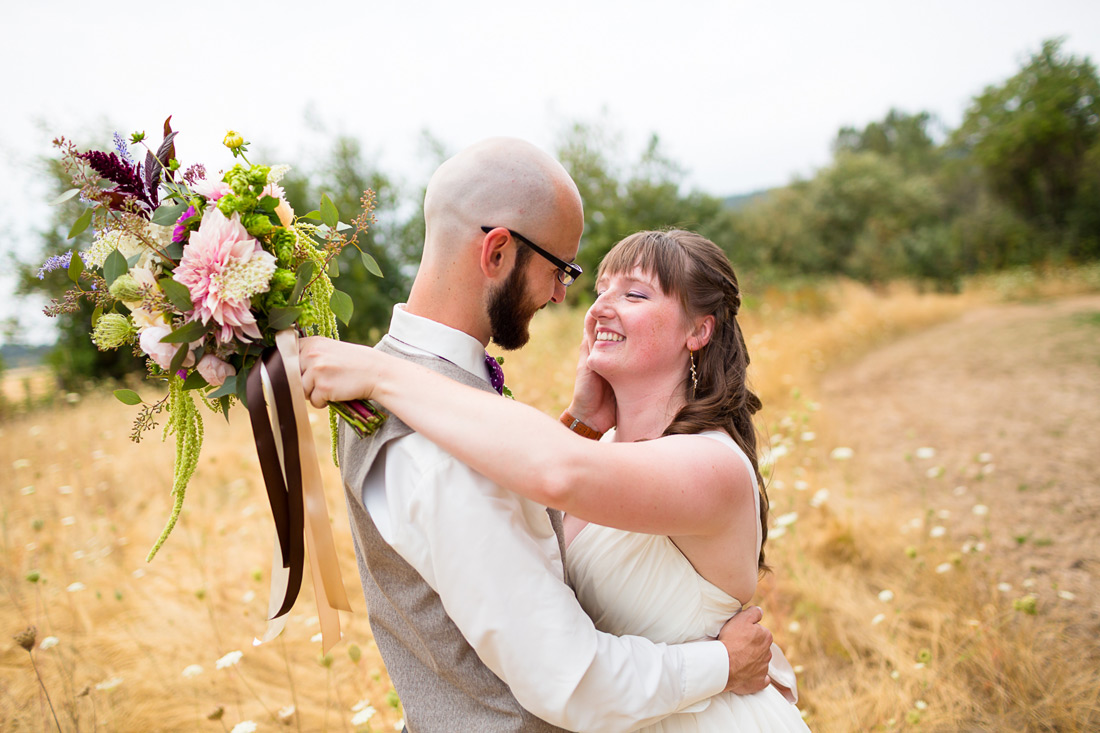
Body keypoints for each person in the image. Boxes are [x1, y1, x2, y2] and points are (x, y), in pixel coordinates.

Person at [299, 139, 775, 732]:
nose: (567, 298)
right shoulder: (436, 433)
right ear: (497, 251)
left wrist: (382, 368)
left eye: (632, 293)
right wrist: (720, 664)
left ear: (699, 330)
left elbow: (554, 485)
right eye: (567, 272)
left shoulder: (422, 398)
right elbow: (568, 675)